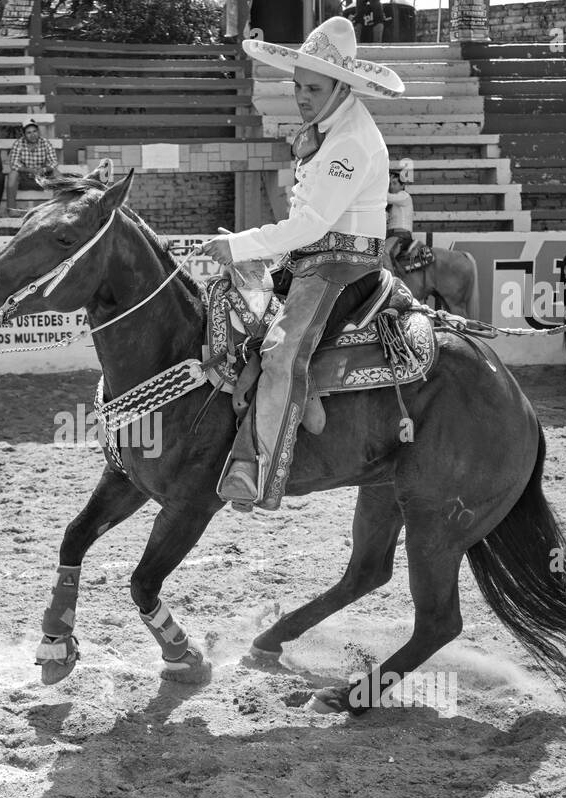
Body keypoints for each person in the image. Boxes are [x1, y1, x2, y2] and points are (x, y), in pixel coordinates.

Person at [201, 17, 404, 511]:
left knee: (281, 351)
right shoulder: (327, 128)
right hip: (312, 259)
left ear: (341, 86)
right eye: (297, 85)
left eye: (312, 87)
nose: (301, 96)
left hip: (341, 266)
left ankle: (258, 469)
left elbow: (312, 224)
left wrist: (243, 245)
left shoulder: (351, 142)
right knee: (233, 307)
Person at [6, 120, 58, 215]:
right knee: (13, 174)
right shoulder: (18, 143)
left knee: (57, 174)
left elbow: (54, 162)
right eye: (29, 132)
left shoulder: (45, 143)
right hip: (24, 179)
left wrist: (44, 169)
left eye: (34, 131)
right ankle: (12, 211)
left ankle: (59, 210)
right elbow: (14, 164)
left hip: (42, 178)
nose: (33, 135)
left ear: (38, 131)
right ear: (24, 134)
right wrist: (30, 170)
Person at [384, 171, 414, 270]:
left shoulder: (404, 195)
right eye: (390, 184)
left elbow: (387, 197)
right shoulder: (393, 203)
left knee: (384, 251)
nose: (391, 186)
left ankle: (392, 283)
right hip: (393, 236)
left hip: (401, 235)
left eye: (395, 183)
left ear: (402, 186)